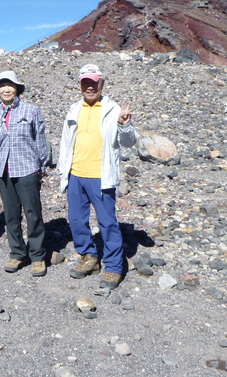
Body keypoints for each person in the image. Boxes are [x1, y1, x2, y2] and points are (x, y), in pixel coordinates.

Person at [58, 63, 136, 289]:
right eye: (85, 83)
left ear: (102, 83)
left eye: (94, 83)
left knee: (107, 223)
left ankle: (113, 267)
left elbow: (130, 141)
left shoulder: (113, 110)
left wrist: (125, 124)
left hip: (101, 176)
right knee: (76, 220)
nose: (90, 87)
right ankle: (89, 257)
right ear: (80, 85)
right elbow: (66, 141)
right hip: (75, 175)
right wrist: (64, 169)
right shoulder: (74, 109)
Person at [0, 70, 49, 277]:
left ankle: (38, 256)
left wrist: (41, 167)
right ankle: (17, 253)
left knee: (33, 213)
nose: (6, 89)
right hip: (4, 170)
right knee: (11, 215)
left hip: (27, 169)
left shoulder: (31, 110)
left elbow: (40, 140)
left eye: (10, 85)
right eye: (2, 86)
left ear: (17, 88)